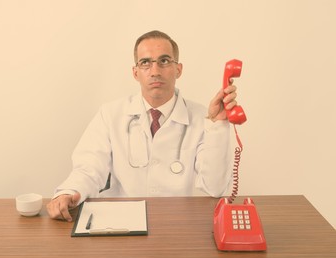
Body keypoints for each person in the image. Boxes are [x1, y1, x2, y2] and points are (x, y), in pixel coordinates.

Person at [47, 30, 239, 221]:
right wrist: (69, 192)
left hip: (176, 224)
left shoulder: (202, 117)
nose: (155, 72)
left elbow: (215, 187)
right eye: (145, 63)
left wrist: (219, 125)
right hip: (120, 222)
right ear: (135, 72)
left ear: (178, 69)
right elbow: (88, 168)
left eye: (164, 61)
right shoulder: (110, 114)